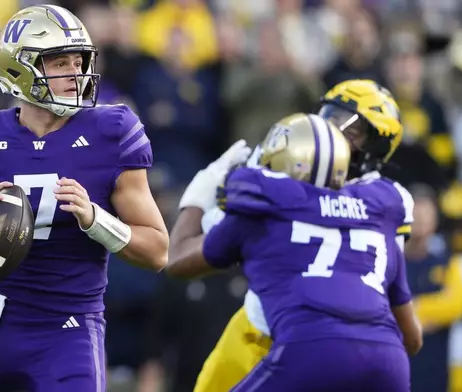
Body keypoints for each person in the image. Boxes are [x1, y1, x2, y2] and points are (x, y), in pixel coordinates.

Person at [0, 5, 169, 392]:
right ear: (19, 69)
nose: (75, 73)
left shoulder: (113, 131)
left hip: (69, 329)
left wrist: (96, 220)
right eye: (59, 62)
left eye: (79, 61)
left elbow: (158, 251)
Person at [180, 79, 421, 392]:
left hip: (313, 340)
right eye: (330, 116)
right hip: (259, 327)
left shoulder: (384, 201)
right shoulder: (293, 171)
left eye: (352, 129)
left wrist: (209, 194)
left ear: (376, 146)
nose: (334, 130)